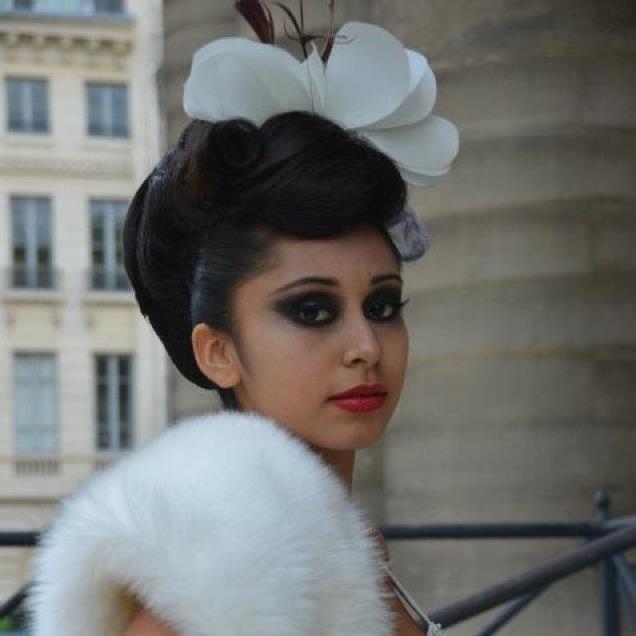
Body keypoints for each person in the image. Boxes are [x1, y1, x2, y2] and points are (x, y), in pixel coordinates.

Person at [26, 7, 458, 636]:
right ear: (218, 352)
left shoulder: (341, 552)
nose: (366, 346)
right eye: (311, 310)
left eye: (382, 306)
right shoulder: (209, 592)